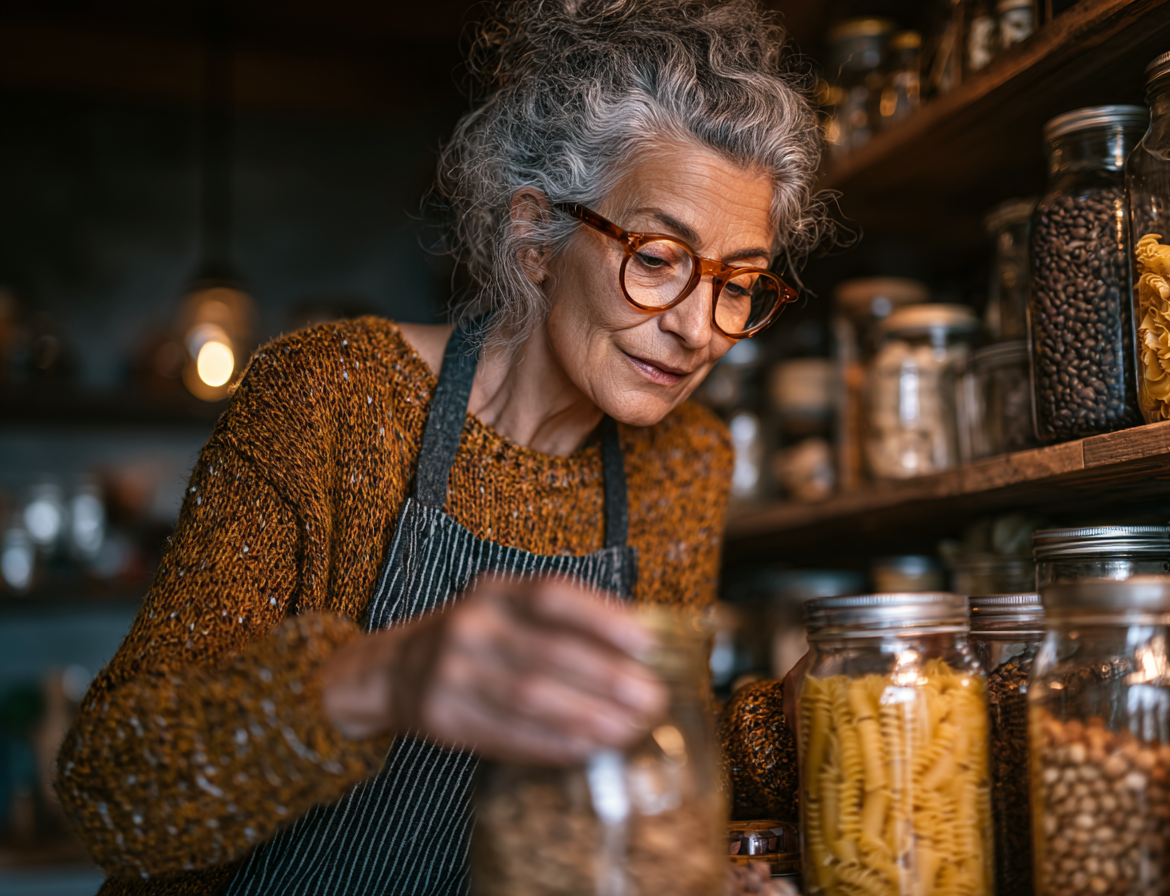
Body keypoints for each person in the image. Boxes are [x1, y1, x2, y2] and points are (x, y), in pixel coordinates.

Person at [55, 1, 826, 892]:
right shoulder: (332, 395)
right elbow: (113, 790)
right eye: (657, 258)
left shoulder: (686, 460)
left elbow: (618, 767)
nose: (699, 328)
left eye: (739, 282)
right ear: (536, 235)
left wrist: (797, 728)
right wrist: (380, 678)